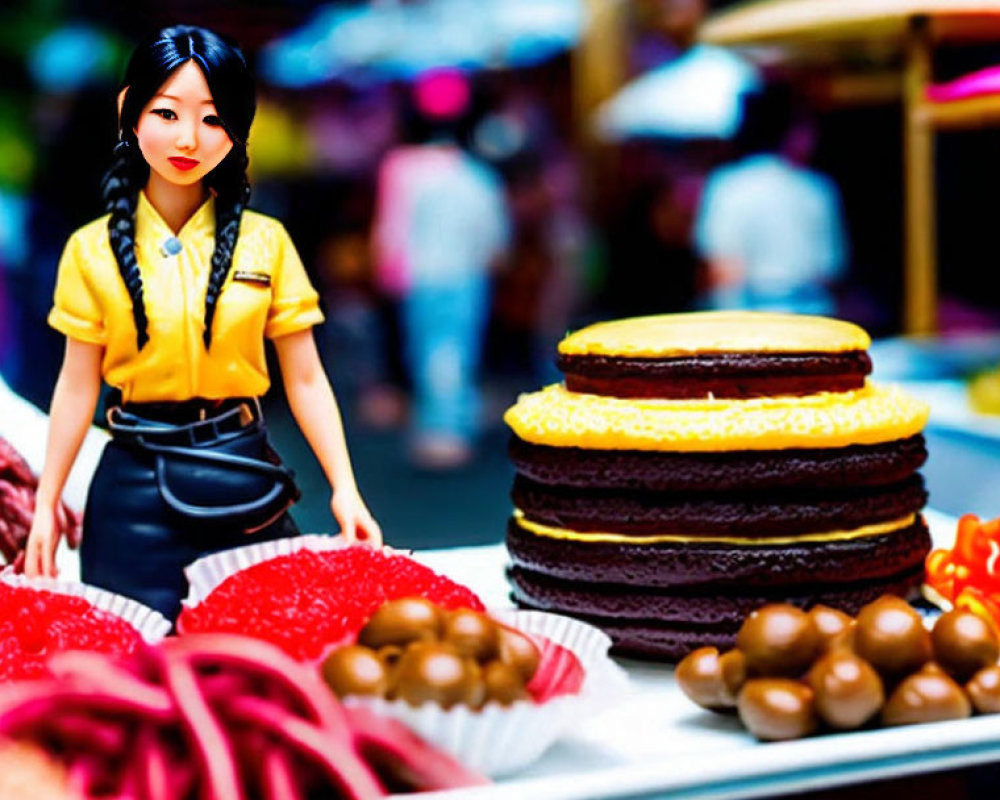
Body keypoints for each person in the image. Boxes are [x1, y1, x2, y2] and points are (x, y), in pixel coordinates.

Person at [25, 25, 381, 620]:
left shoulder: (266, 243)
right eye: (167, 113)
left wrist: (345, 485)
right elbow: (77, 384)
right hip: (132, 481)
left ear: (238, 129)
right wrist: (46, 501)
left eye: (213, 119)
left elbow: (307, 378)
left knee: (260, 649)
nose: (189, 138)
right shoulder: (91, 250)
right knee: (131, 654)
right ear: (129, 113)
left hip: (242, 474)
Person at [371, 69, 510, 469]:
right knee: (456, 350)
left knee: (433, 353)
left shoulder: (403, 167)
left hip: (424, 275)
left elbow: (391, 227)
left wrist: (385, 269)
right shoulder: (477, 174)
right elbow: (494, 236)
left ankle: (443, 431)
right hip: (466, 276)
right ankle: (451, 423)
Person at [693, 84, 848, 315]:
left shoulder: (729, 185)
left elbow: (723, 269)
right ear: (790, 132)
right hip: (813, 315)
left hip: (753, 319)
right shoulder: (817, 188)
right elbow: (830, 269)